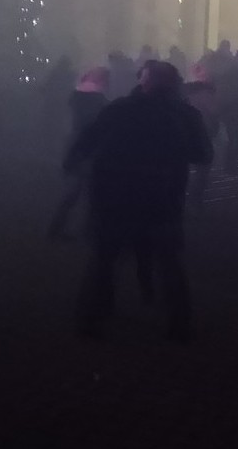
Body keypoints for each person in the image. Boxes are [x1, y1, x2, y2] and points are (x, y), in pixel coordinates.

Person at [64, 61, 211, 341]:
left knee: (106, 258)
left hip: (117, 194)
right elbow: (202, 154)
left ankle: (90, 319)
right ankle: (178, 325)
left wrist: (74, 162)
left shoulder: (121, 108)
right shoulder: (183, 114)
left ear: (144, 82)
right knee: (168, 262)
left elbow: (88, 140)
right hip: (161, 196)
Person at [48, 66, 111, 240]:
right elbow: (97, 124)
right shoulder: (98, 100)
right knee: (87, 191)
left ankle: (58, 228)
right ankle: (83, 230)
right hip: (89, 146)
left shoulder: (76, 96)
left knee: (75, 190)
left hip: (75, 144)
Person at [181, 63, 219, 212]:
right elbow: (214, 110)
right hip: (203, 130)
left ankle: (186, 196)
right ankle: (195, 199)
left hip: (185, 131)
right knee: (203, 165)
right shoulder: (205, 92)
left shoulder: (184, 90)